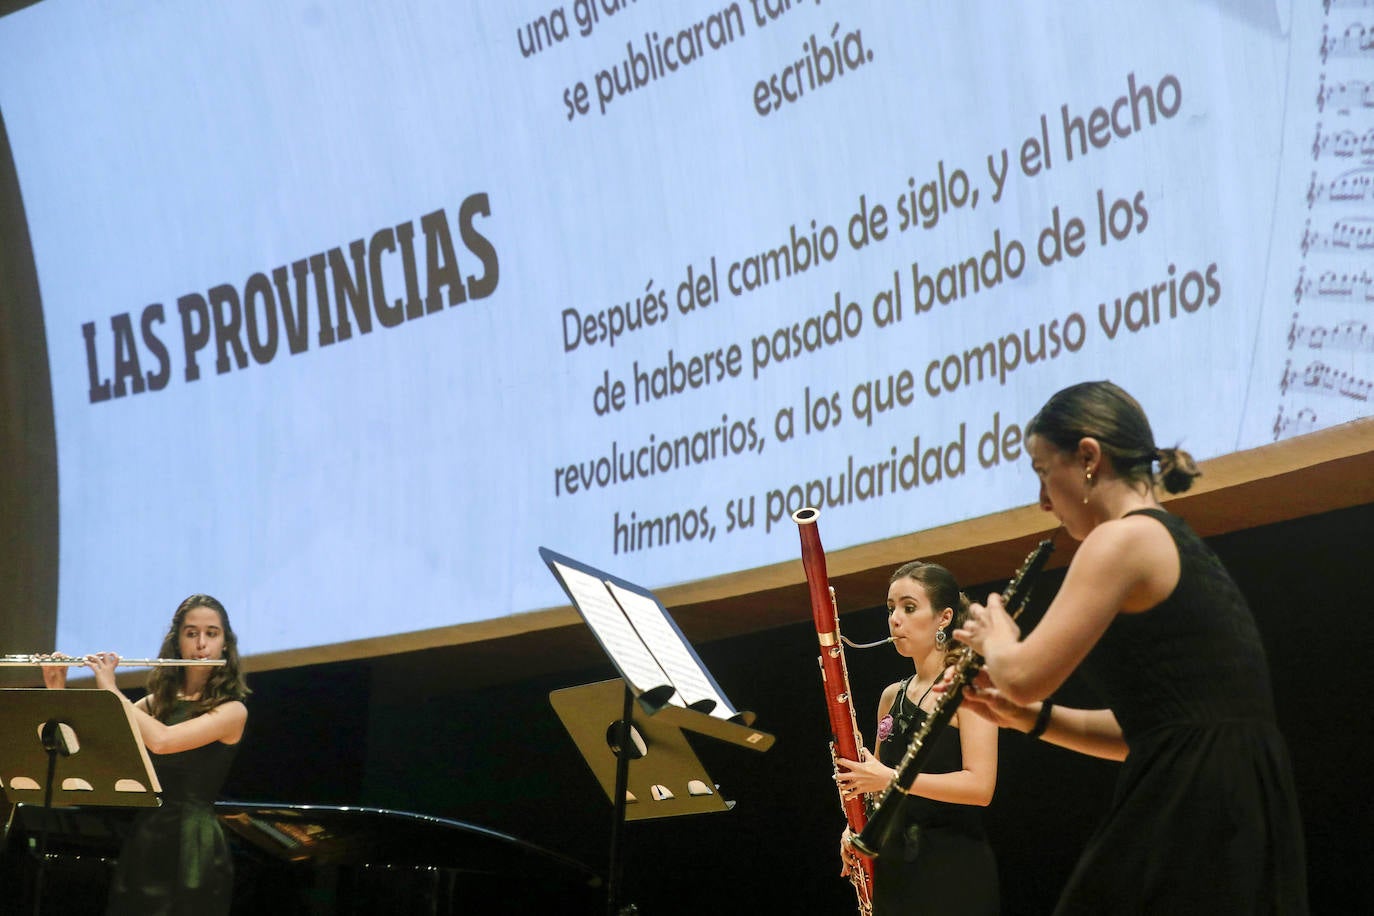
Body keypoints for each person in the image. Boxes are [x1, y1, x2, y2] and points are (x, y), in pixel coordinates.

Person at [954, 380, 1308, 914]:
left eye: (1043, 471)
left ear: (1088, 457)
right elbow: (1153, 731)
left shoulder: (1121, 538)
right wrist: (1030, 718)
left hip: (1193, 797)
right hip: (1234, 792)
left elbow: (1022, 675)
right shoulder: (1171, 538)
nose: (1043, 500)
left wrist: (995, 636)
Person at [44, 594, 249, 916]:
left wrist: (111, 691)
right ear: (177, 642)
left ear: (225, 644)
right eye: (191, 633)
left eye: (212, 633)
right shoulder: (154, 705)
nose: (201, 644)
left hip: (194, 844)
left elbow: (163, 741)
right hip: (146, 837)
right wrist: (57, 690)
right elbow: (83, 748)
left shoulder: (232, 710)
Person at [834, 561, 1000, 915]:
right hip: (895, 868)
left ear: (944, 618)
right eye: (891, 608)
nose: (895, 619)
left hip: (952, 870)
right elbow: (876, 791)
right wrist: (857, 829)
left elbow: (981, 787)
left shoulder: (969, 686)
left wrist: (891, 778)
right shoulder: (890, 697)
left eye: (909, 608)